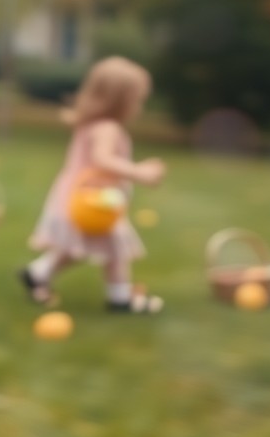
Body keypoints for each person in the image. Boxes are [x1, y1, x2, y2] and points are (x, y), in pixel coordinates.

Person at [19, 57, 167, 313]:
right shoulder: (108, 127)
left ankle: (37, 273)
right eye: (137, 100)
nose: (139, 106)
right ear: (120, 101)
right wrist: (139, 172)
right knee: (116, 248)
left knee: (75, 249)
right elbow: (103, 159)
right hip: (93, 203)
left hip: (75, 198)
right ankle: (120, 298)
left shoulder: (91, 124)